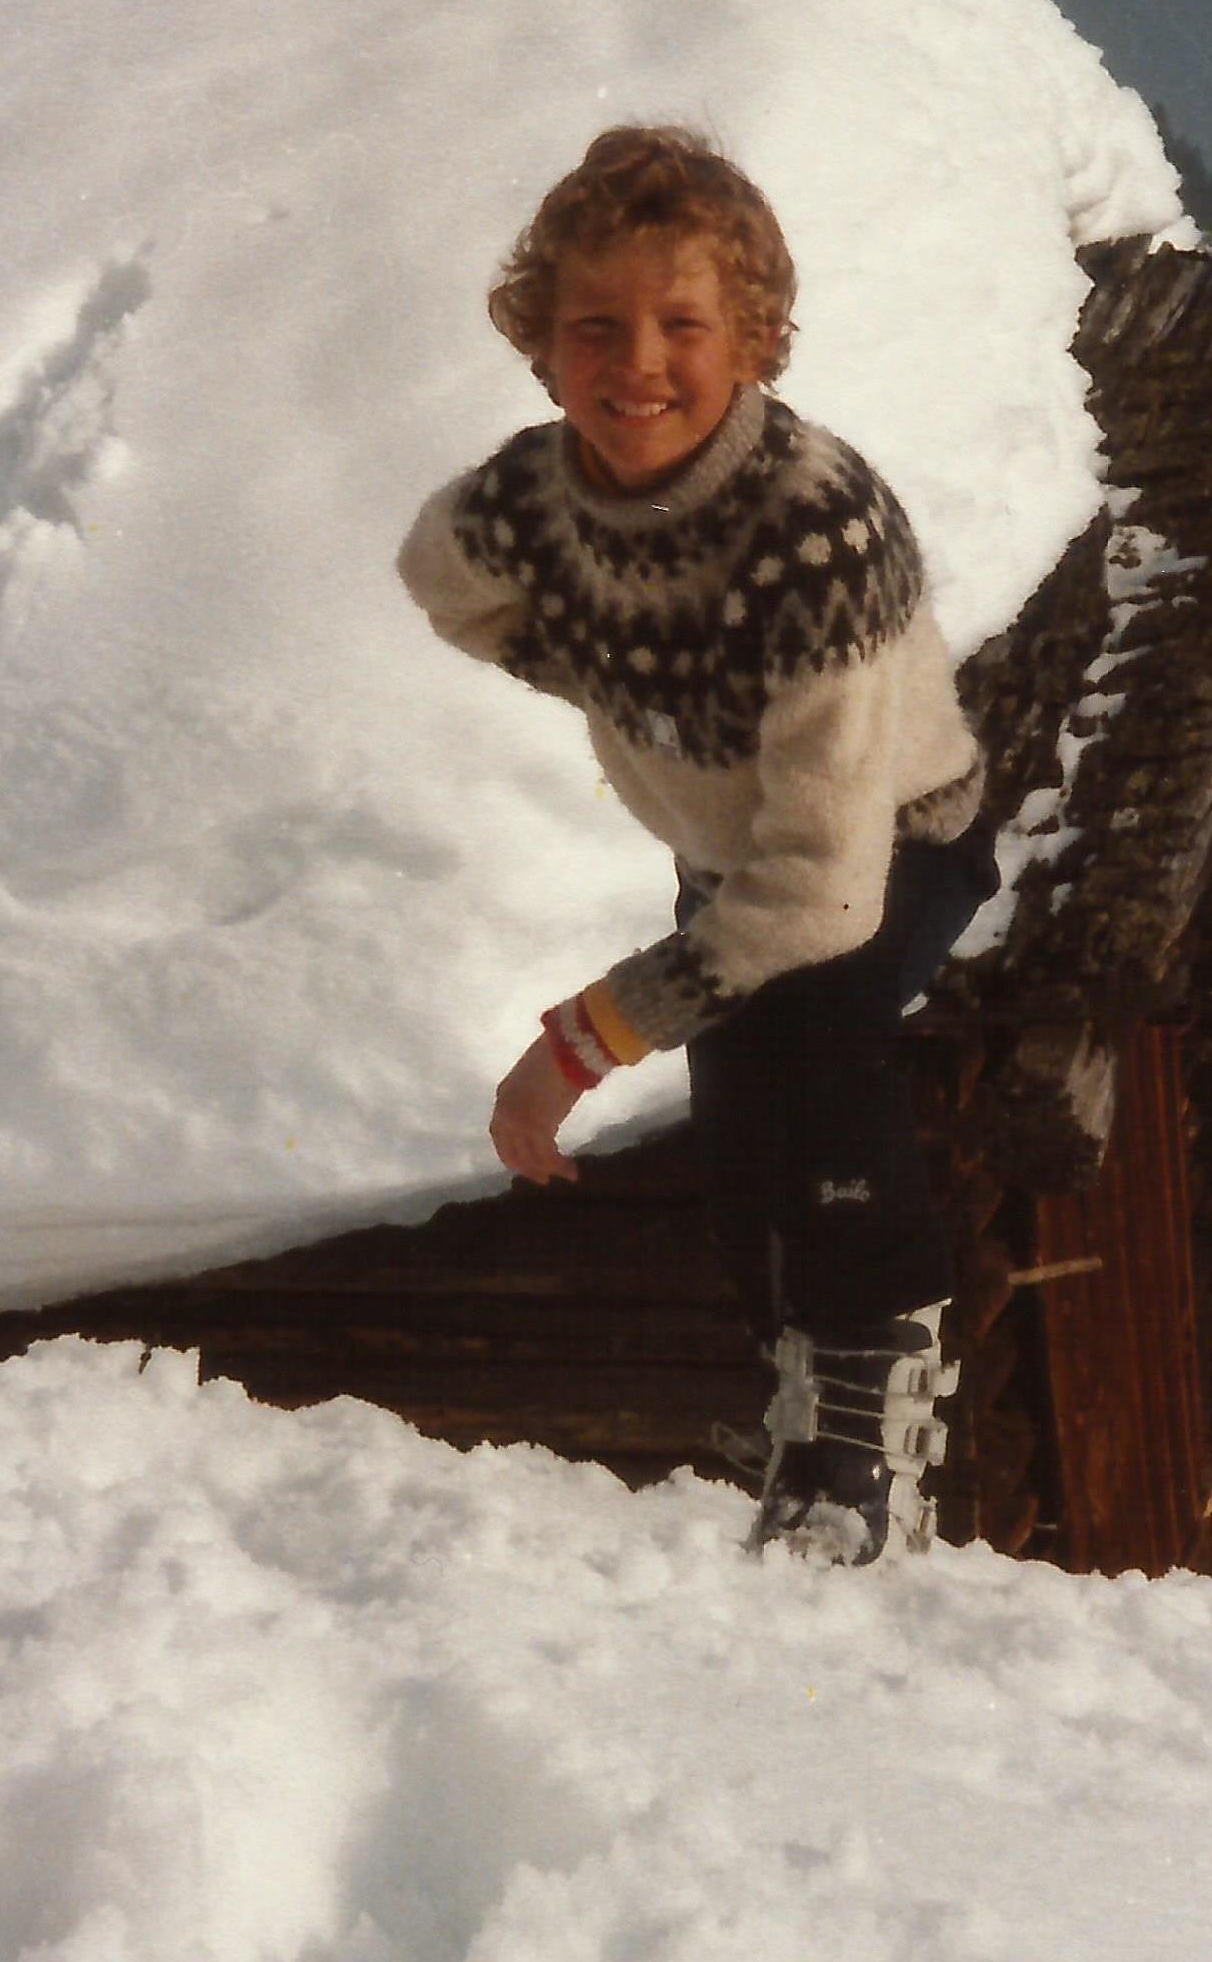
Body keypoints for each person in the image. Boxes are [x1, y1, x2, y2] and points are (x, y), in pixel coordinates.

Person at [397, 125, 999, 1562]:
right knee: (741, 1144)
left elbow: (825, 893)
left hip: (886, 845)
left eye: (683, 325)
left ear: (756, 338)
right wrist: (613, 673)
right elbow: (440, 572)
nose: (638, 365)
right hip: (733, 864)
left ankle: (872, 1429)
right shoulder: (540, 498)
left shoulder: (816, 530)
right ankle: (800, 1400)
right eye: (594, 328)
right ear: (542, 346)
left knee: (819, 1071)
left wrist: (582, 1040)